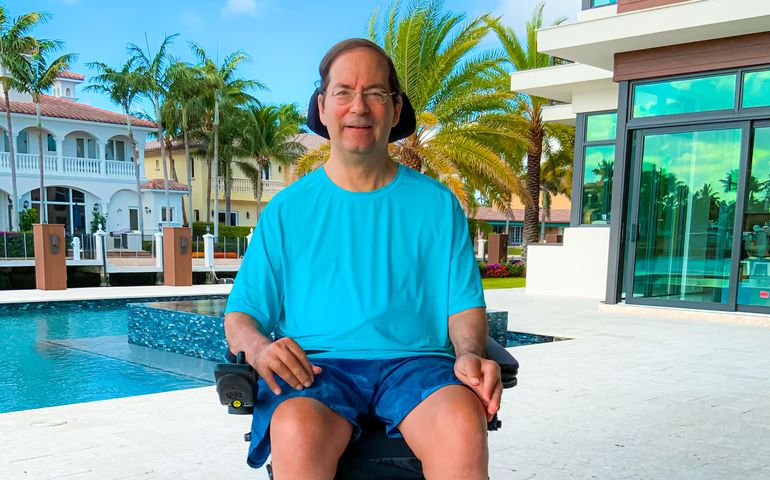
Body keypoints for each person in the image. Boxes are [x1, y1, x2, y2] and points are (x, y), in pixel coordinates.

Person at [223, 38, 502, 480]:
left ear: (394, 109)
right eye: (343, 92)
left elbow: (463, 307)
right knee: (294, 427)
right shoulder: (287, 210)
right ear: (322, 105)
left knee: (462, 421)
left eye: (374, 92)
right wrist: (258, 350)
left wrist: (468, 352)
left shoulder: (436, 205)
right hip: (316, 368)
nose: (359, 107)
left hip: (418, 365)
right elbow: (242, 316)